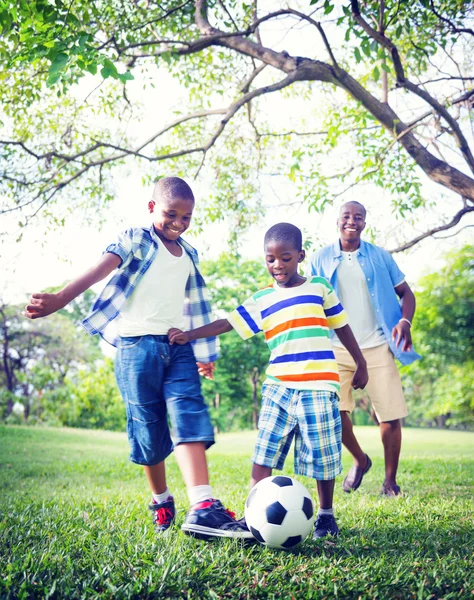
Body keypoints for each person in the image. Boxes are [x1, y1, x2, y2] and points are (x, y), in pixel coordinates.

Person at [24, 176, 251, 540]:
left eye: (187, 217)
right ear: (151, 209)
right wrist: (61, 298)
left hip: (178, 346)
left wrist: (204, 354)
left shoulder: (189, 254)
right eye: (170, 214)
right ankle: (161, 500)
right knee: (148, 429)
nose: (178, 223)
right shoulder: (136, 239)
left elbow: (196, 305)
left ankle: (203, 505)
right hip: (135, 349)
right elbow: (102, 268)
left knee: (189, 413)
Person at [168, 223, 368, 538]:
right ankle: (252, 519)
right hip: (278, 387)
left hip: (319, 387)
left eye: (285, 258)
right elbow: (226, 323)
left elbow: (342, 326)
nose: (277, 265)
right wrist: (190, 334)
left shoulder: (318, 288)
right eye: (270, 259)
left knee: (323, 457)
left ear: (300, 255)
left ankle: (326, 515)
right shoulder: (262, 299)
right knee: (263, 454)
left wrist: (361, 362)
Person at [306, 201, 421, 496]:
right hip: (336, 346)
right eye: (346, 216)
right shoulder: (320, 258)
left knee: (390, 415)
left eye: (358, 217)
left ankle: (390, 481)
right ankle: (360, 459)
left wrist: (405, 321)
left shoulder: (380, 257)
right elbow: (311, 300)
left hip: (378, 345)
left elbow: (406, 292)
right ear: (337, 221)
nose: (352, 221)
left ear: (365, 224)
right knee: (335, 411)